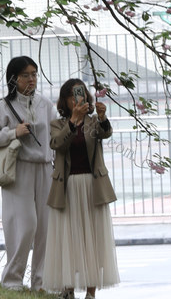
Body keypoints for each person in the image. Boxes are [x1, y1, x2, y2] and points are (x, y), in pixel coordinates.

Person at [0, 56, 58, 292]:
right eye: (26, 75)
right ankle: (13, 281)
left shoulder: (46, 104)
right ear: (14, 78)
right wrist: (13, 132)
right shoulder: (5, 106)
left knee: (46, 227)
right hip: (20, 169)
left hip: (46, 168)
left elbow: (56, 133)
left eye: (34, 74)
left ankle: (42, 282)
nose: (31, 79)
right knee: (24, 226)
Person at [43, 78, 120, 299]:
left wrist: (103, 118)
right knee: (67, 236)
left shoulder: (94, 122)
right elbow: (57, 143)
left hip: (92, 185)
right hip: (66, 187)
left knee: (93, 238)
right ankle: (67, 289)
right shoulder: (58, 124)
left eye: (81, 94)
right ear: (65, 101)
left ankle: (90, 292)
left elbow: (105, 133)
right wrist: (73, 121)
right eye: (73, 96)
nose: (78, 99)